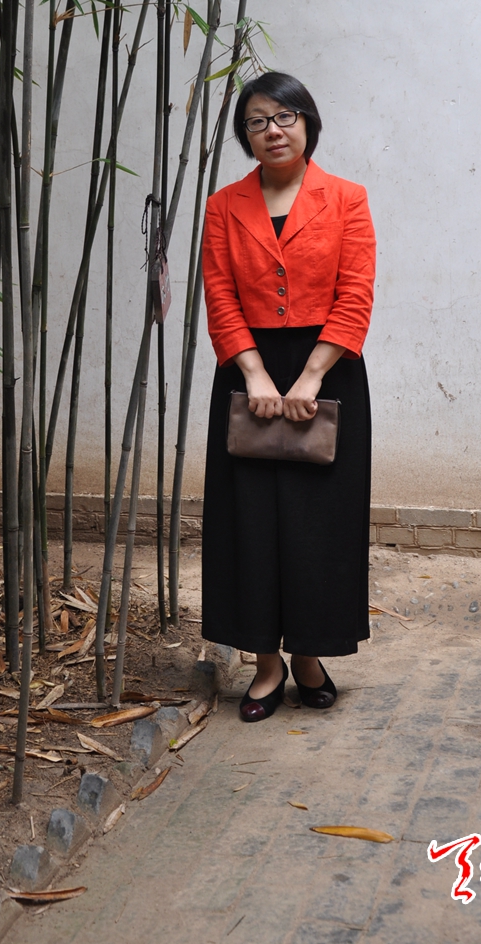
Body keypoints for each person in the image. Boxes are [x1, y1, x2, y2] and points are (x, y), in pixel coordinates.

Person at [200, 71, 376, 722]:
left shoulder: (347, 198)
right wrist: (253, 373)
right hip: (246, 371)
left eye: (284, 117)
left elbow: (356, 292)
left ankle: (308, 656)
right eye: (257, 121)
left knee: (319, 523)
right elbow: (219, 294)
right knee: (248, 523)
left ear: (307, 123)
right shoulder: (223, 206)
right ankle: (266, 665)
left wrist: (310, 376)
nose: (272, 130)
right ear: (244, 135)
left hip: (328, 372)